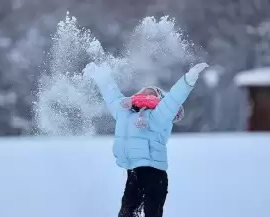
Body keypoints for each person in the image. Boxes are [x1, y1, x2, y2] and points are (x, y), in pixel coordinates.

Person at [83, 62, 209, 217]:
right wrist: (99, 75)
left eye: (154, 92)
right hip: (134, 173)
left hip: (155, 175)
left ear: (159, 99)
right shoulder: (124, 112)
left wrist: (189, 79)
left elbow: (174, 98)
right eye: (145, 91)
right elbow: (111, 94)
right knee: (126, 213)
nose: (148, 92)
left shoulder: (160, 115)